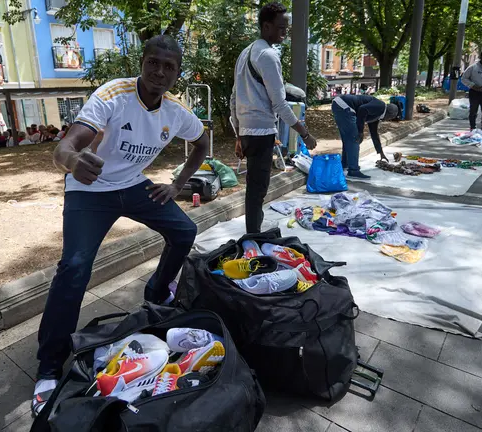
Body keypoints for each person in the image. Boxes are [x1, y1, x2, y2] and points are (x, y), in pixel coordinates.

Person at [31, 34, 210, 416]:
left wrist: (177, 184)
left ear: (177, 73)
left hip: (133, 185)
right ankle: (48, 366)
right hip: (88, 190)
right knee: (75, 267)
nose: (159, 72)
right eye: (153, 63)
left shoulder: (176, 110)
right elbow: (64, 147)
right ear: (142, 62)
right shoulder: (114, 95)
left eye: (169, 66)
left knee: (184, 231)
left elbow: (202, 144)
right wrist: (72, 160)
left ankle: (157, 291)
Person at [230, 2, 318, 234]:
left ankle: (253, 230)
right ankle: (253, 236)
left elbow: (234, 97)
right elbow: (279, 104)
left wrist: (239, 134)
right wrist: (304, 133)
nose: (284, 32)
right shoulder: (268, 55)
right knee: (257, 190)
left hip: (248, 132)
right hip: (261, 133)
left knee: (254, 188)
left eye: (286, 28)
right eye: (281, 28)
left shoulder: (246, 52)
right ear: (266, 26)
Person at [331, 94, 399, 180]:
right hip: (345, 106)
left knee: (348, 139)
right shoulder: (380, 106)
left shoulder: (377, 113)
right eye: (390, 118)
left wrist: (380, 152)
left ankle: (345, 165)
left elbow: (374, 133)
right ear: (390, 114)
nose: (388, 120)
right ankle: (353, 171)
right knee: (355, 139)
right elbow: (362, 109)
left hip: (340, 104)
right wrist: (360, 131)